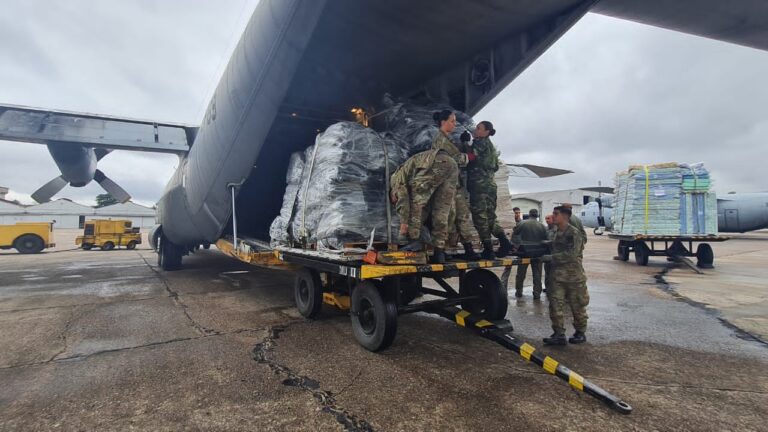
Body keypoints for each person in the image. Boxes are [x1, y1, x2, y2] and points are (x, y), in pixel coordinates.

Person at [390, 148, 459, 264]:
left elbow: (405, 203)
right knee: (442, 209)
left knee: (416, 203)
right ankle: (439, 251)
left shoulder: (395, 182)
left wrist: (404, 225)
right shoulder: (407, 170)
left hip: (436, 162)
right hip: (451, 164)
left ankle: (414, 242)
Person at [430, 110, 480, 261]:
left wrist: (464, 144)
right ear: (443, 122)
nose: (454, 124)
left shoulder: (447, 139)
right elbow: (453, 159)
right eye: (452, 121)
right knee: (445, 218)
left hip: (455, 184)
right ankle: (439, 251)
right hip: (445, 184)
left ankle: (468, 248)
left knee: (462, 216)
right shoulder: (440, 139)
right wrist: (470, 156)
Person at [465, 120, 515, 260]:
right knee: (490, 217)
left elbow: (471, 157)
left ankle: (488, 249)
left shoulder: (480, 143)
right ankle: (505, 243)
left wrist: (464, 144)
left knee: (480, 217)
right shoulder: (491, 147)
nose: (476, 130)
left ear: (486, 132)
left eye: (479, 128)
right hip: (489, 185)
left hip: (479, 185)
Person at [541, 206, 589, 346]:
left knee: (577, 306)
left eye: (556, 214)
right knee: (555, 305)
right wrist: (545, 244)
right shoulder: (556, 232)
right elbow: (555, 244)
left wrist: (551, 258)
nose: (553, 216)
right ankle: (558, 334)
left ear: (565, 216)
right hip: (557, 277)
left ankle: (580, 332)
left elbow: (572, 254)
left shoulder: (574, 233)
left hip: (574, 277)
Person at [512, 209, 548, 299]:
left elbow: (514, 236)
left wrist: (515, 247)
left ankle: (519, 291)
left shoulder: (522, 224)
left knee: (521, 274)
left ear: (529, 214)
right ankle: (537, 294)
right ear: (537, 215)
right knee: (537, 275)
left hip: (524, 252)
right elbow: (546, 240)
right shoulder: (542, 226)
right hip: (538, 254)